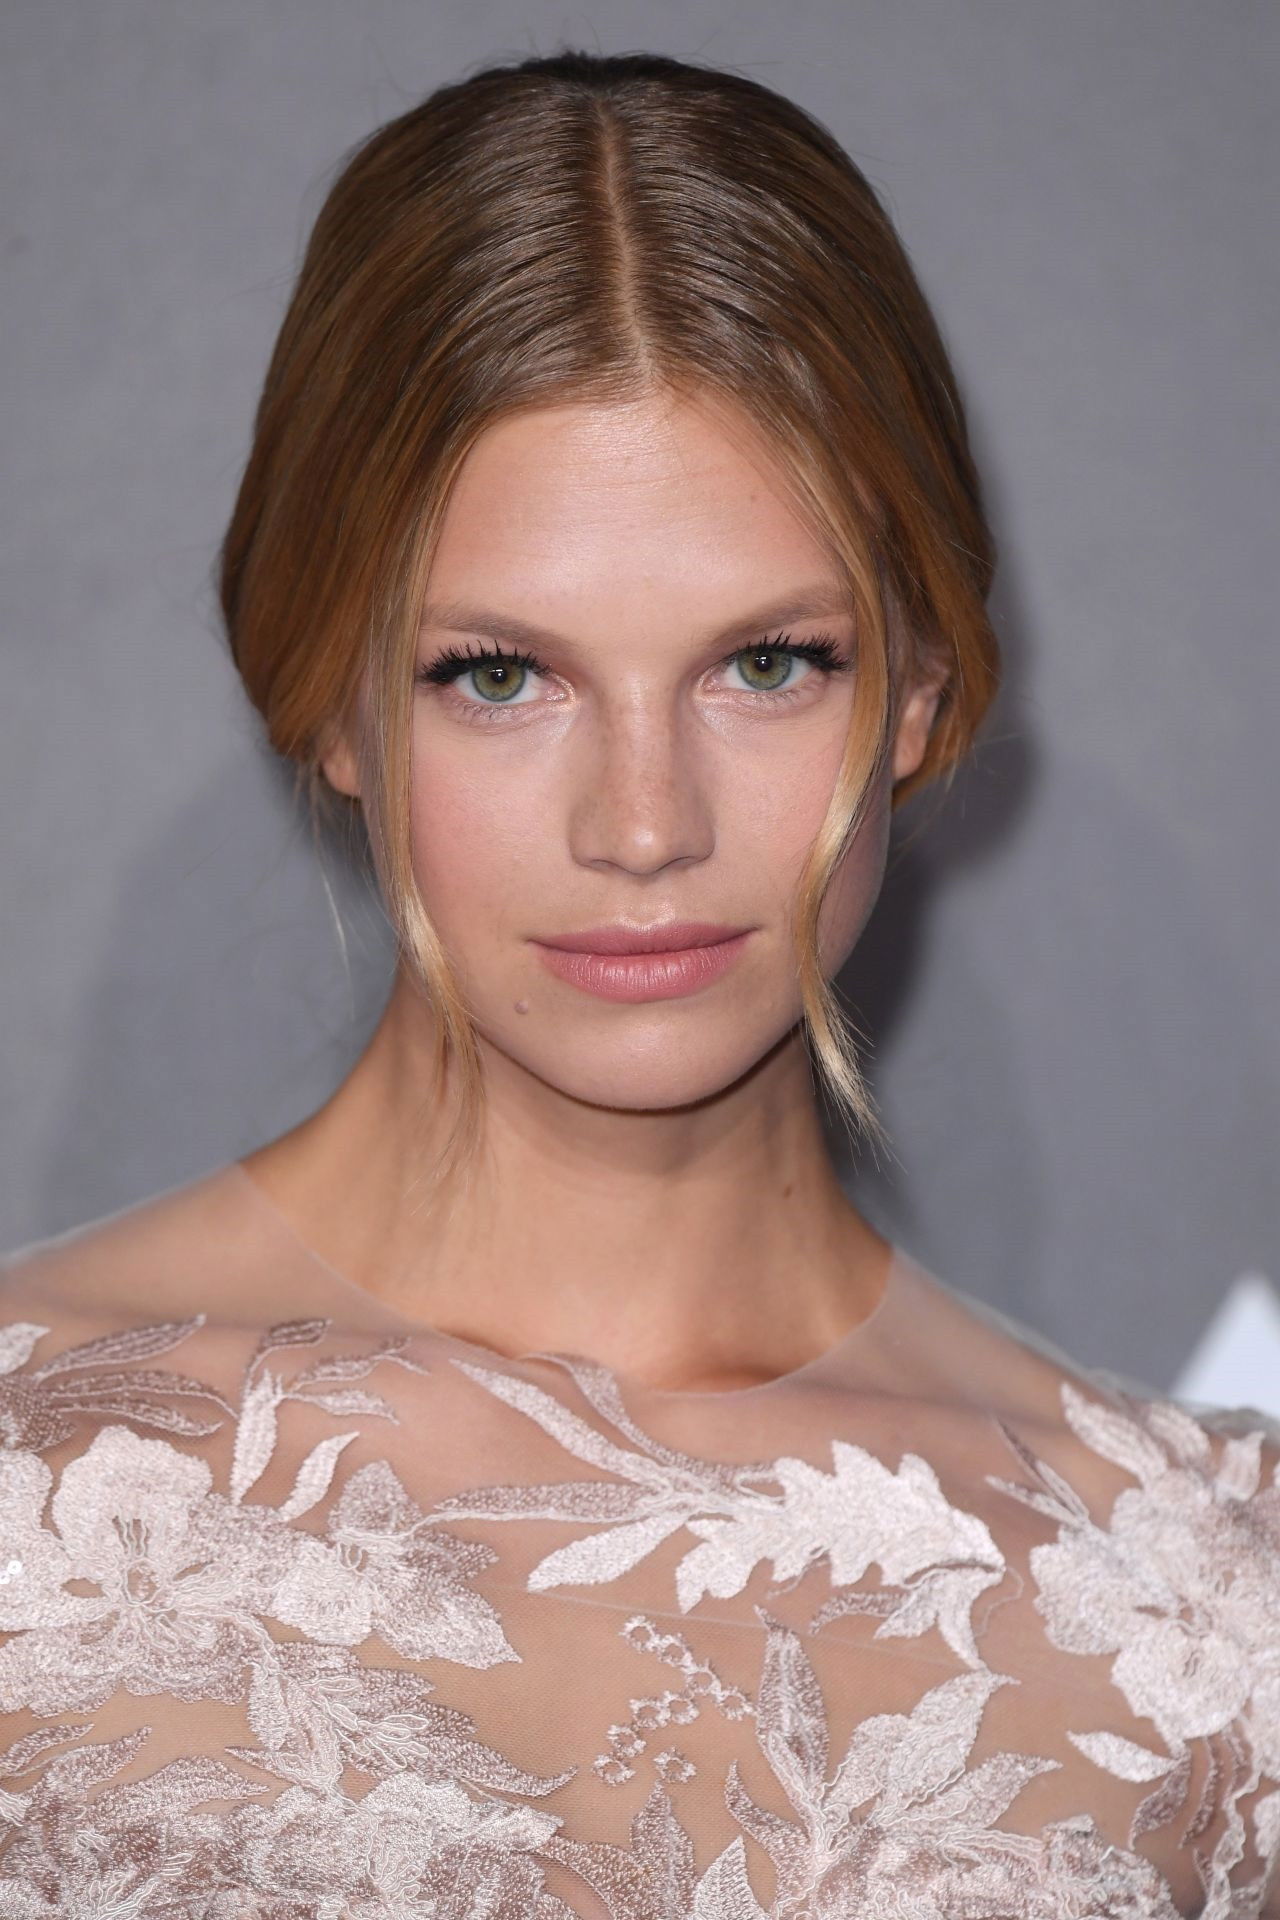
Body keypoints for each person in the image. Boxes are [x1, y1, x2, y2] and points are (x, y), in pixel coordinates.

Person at [0, 48, 1275, 1920]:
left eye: (767, 664)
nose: (646, 824)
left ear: (921, 687)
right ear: (326, 698)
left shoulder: (1214, 1621)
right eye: (498, 676)